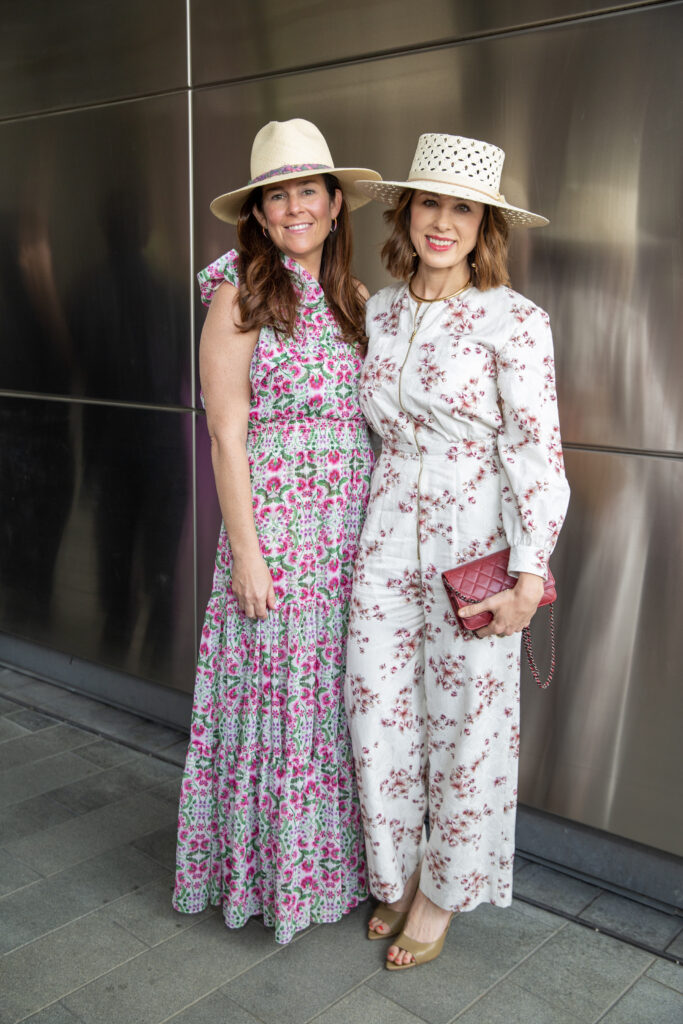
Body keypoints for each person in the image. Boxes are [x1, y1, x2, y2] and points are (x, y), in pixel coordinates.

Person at [345, 133, 570, 969]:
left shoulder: (514, 319)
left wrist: (526, 572)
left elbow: (537, 452)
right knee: (375, 711)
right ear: (407, 211)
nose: (443, 222)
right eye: (430, 203)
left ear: (486, 225)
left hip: (473, 537)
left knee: (467, 723)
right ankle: (395, 869)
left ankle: (441, 892)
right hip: (383, 534)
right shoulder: (378, 309)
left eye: (462, 208)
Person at [173, 119, 381, 943]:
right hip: (279, 537)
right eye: (275, 195)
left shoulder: (356, 301)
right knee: (276, 707)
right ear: (257, 214)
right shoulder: (239, 294)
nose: (293, 207)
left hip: (348, 535)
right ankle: (268, 880)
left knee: (331, 707)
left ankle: (330, 872)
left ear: (334, 204)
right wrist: (248, 557)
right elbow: (225, 434)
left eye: (307, 190)